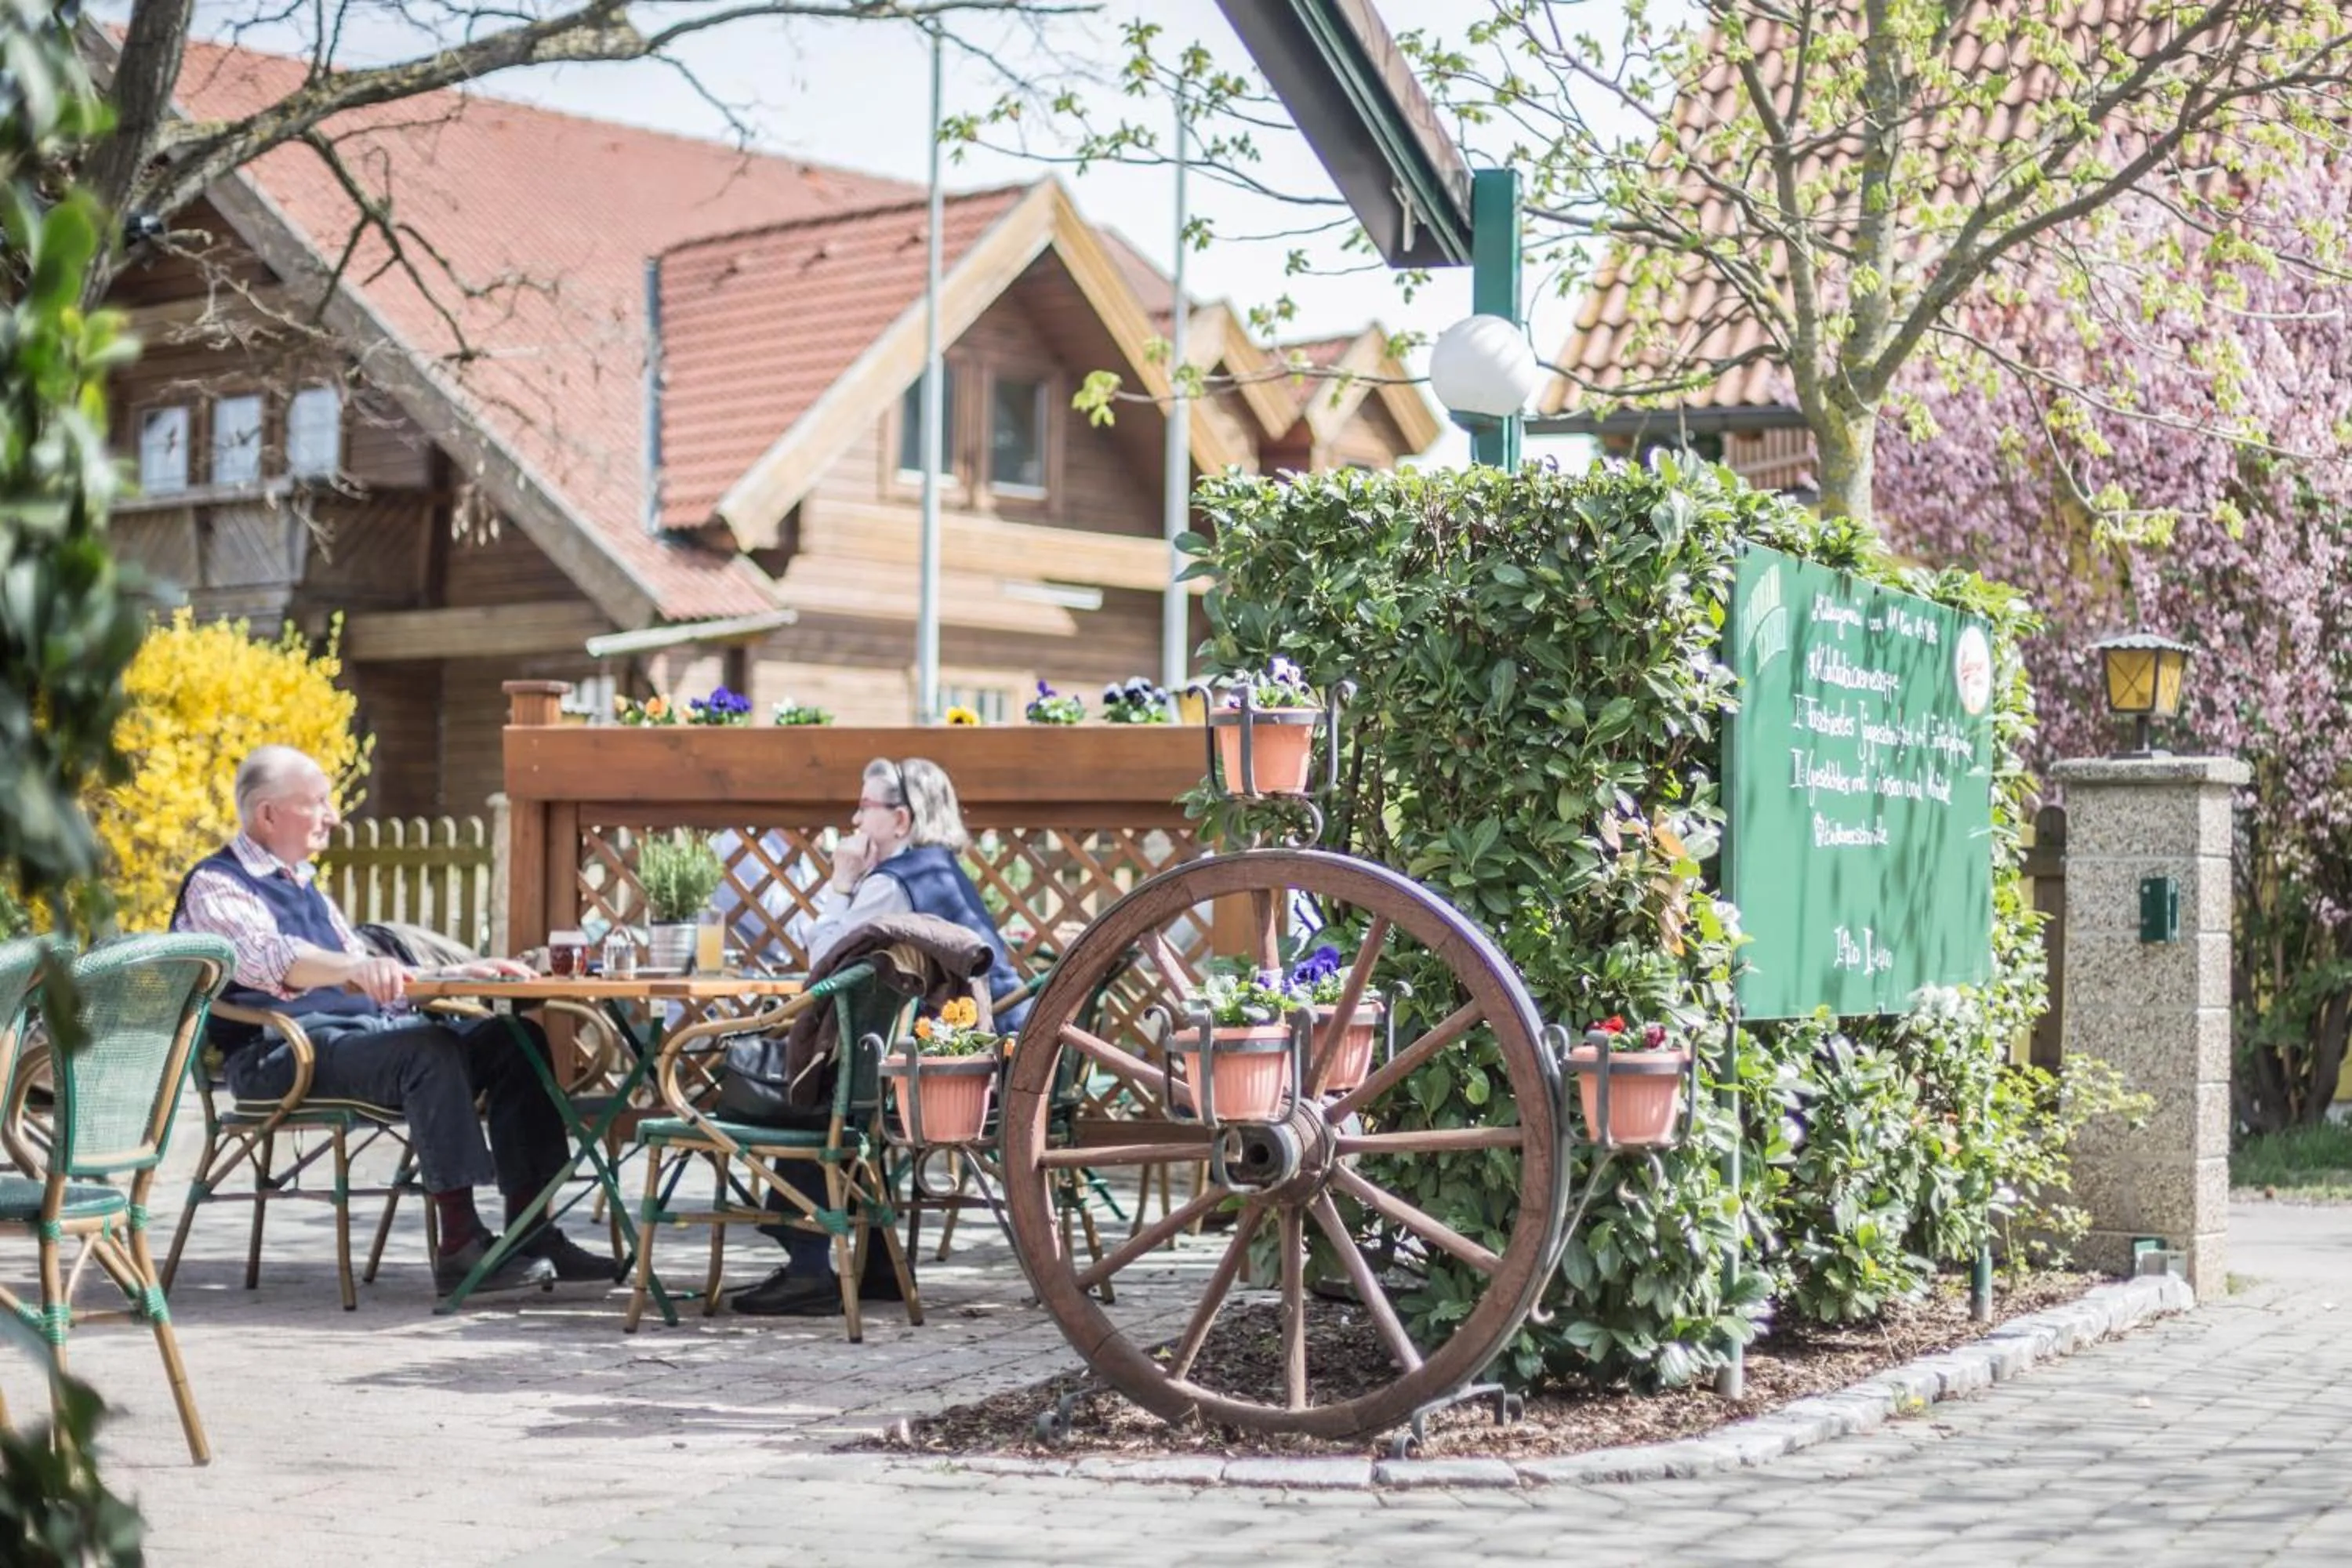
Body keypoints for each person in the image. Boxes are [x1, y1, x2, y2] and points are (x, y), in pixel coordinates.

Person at [172, 746, 612, 1294]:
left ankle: (532, 1231)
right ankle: (460, 1246)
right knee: (428, 1050)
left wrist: (459, 973)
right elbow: (269, 958)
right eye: (319, 803)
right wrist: (357, 967)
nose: (333, 816)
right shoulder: (219, 884)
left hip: (359, 1041)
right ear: (268, 815)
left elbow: (373, 974)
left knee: (511, 1038)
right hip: (280, 1053)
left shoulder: (301, 883)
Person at [733, 756, 1029, 1316]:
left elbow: (821, 968)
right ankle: (875, 1264)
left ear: (900, 820)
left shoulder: (891, 884)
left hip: (953, 1073)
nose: (854, 818)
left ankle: (809, 1265)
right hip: (1003, 1049)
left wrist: (841, 884)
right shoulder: (939, 871)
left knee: (818, 1090)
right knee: (850, 1083)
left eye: (865, 807)